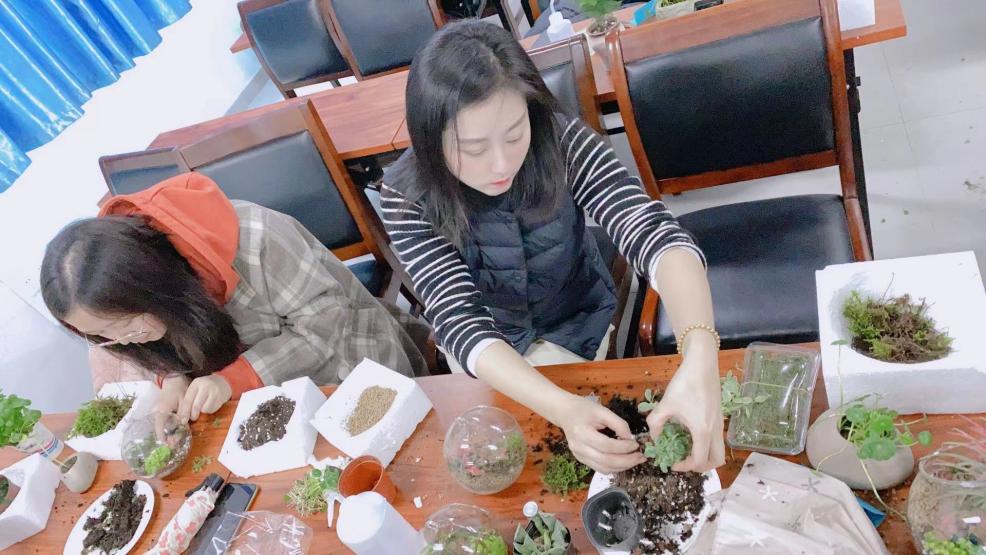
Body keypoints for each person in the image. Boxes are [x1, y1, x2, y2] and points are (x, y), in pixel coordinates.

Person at [381, 20, 724, 475]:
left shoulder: (560, 140)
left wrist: (700, 354)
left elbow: (650, 231)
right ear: (430, 139)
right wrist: (564, 409)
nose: (501, 164)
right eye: (473, 149)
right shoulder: (407, 196)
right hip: (494, 360)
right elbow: (460, 319)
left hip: (579, 322)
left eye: (514, 133)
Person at [41, 173, 430, 422]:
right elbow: (176, 342)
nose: (123, 342)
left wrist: (235, 379)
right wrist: (174, 379)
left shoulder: (256, 238)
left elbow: (327, 324)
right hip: (271, 401)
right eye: (103, 337)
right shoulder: (136, 307)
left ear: (152, 284)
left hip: (351, 367)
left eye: (123, 326)